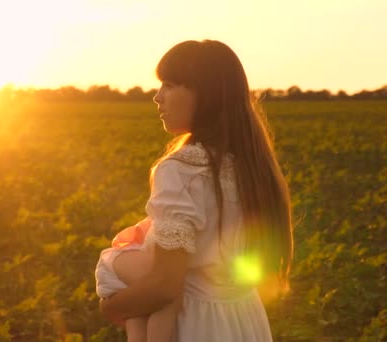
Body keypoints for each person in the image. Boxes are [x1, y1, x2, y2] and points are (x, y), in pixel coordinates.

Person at [98, 39, 294, 341]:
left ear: (206, 95)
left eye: (170, 84)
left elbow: (165, 285)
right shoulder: (253, 166)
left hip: (195, 323)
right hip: (243, 319)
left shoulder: (181, 169)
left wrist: (112, 307)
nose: (157, 97)